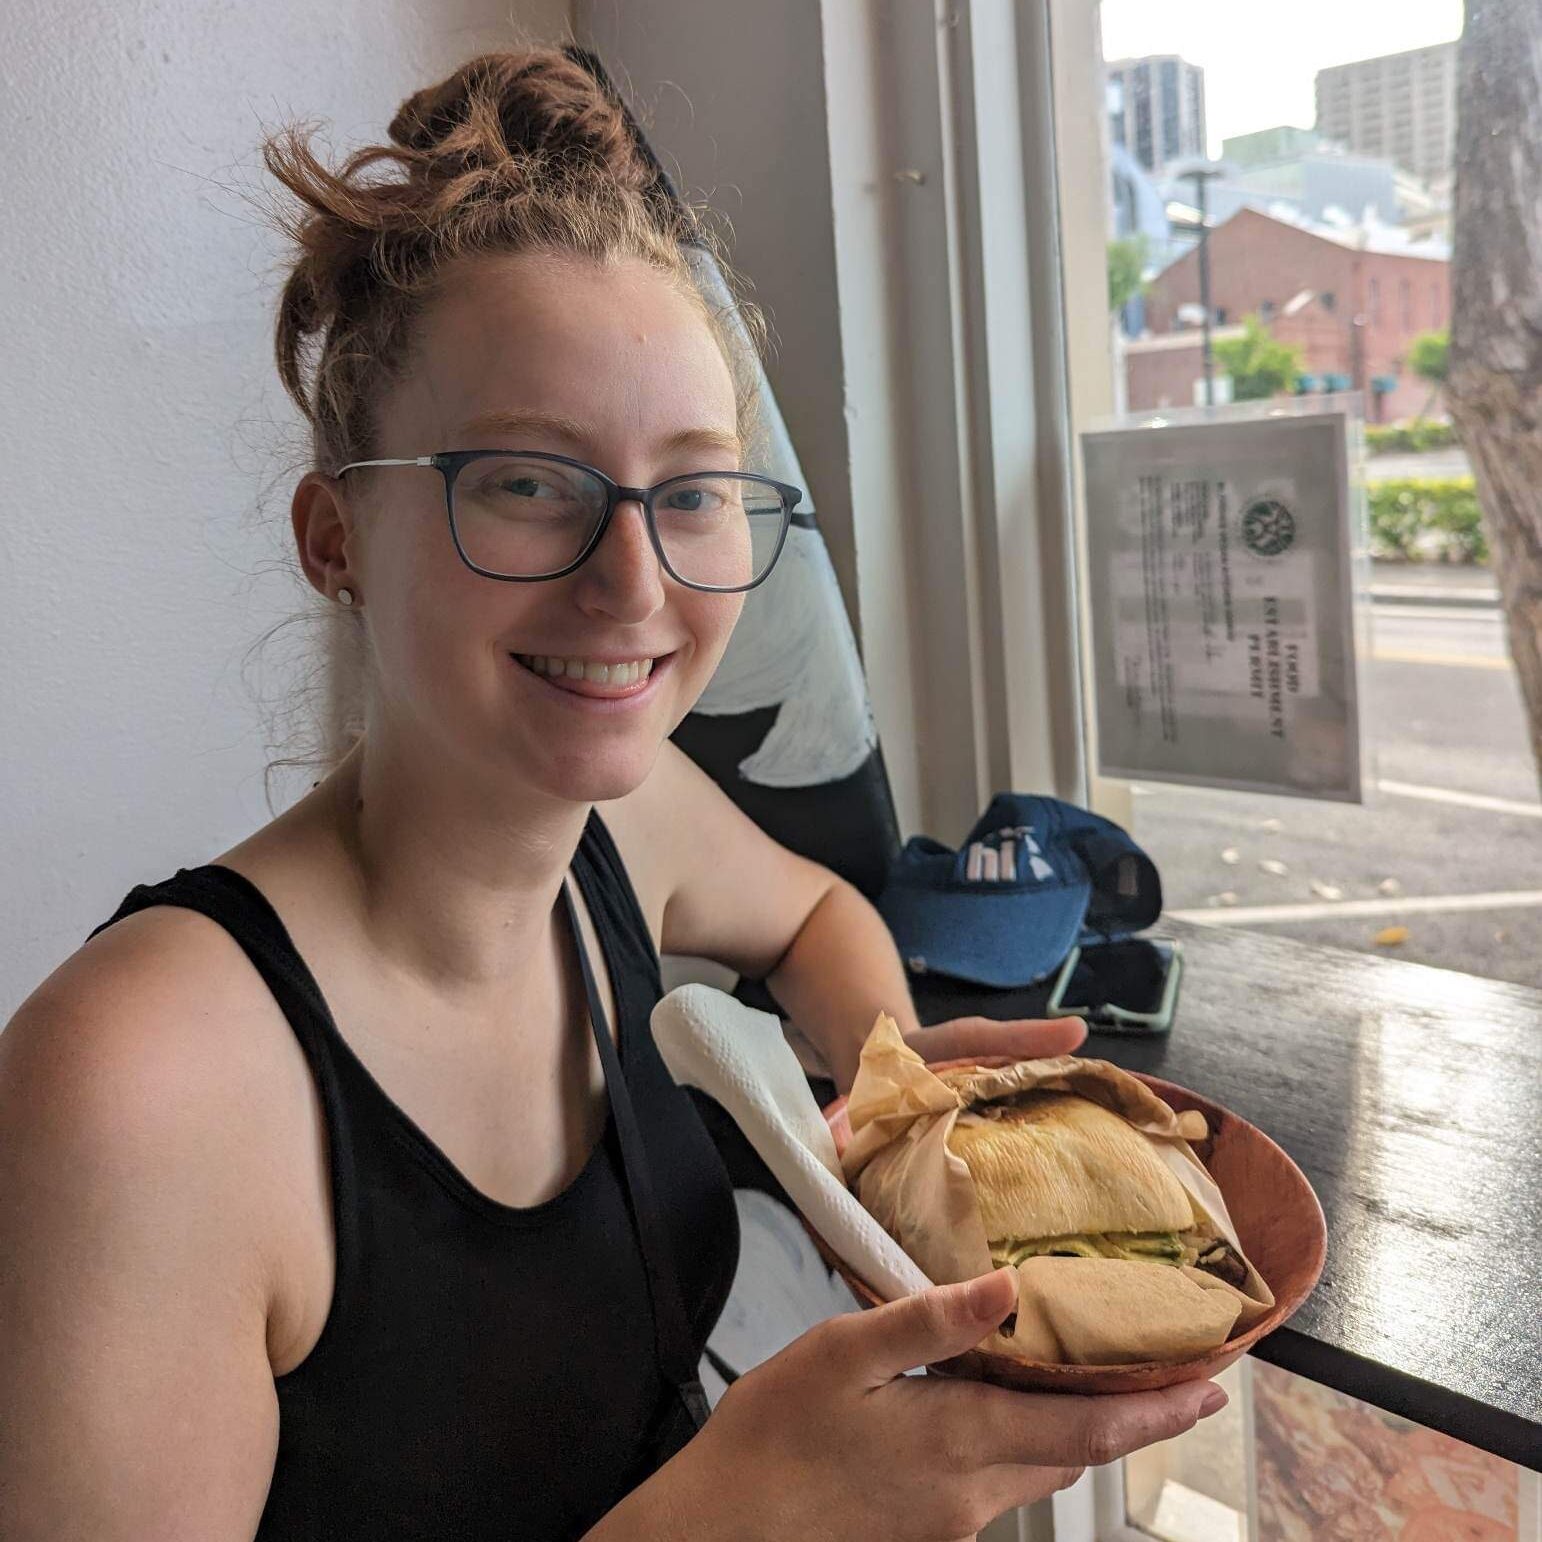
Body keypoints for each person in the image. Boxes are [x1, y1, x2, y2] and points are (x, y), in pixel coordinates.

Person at [0, 47, 1227, 1542]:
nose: (635, 583)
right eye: (527, 480)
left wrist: (876, 1106)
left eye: (694, 489)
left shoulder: (622, 836)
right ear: (334, 536)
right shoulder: (142, 1086)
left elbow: (818, 911)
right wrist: (740, 1510)